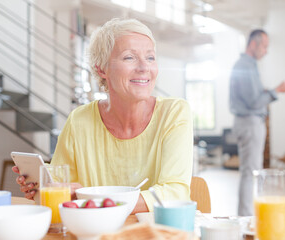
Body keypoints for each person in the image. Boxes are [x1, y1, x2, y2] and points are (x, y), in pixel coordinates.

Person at [12, 18, 194, 214]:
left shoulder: (174, 113)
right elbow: (62, 191)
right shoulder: (79, 121)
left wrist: (89, 198)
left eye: (150, 58)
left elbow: (175, 193)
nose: (144, 68)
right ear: (101, 68)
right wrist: (43, 188)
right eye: (129, 57)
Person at [229, 29, 285, 216]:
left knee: (251, 171)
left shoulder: (248, 66)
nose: (266, 51)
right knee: (250, 173)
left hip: (250, 122)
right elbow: (253, 101)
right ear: (253, 44)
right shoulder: (245, 65)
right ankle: (246, 218)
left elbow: (253, 95)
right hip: (249, 122)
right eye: (264, 46)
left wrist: (269, 91)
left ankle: (248, 216)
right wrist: (277, 91)